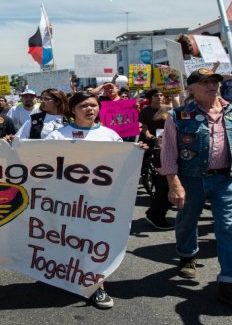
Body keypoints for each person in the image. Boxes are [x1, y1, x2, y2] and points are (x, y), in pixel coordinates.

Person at [159, 68, 232, 310]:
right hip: (191, 179)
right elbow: (169, 152)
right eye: (204, 82)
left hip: (226, 180)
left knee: (230, 228)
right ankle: (187, 255)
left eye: (214, 81)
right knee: (187, 219)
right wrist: (174, 183)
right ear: (191, 89)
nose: (211, 85)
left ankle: (231, 283)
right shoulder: (179, 115)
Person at [45, 91, 124, 309]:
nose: (90, 109)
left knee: (94, 243)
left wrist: (138, 152)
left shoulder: (110, 135)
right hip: (67, 203)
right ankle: (65, 274)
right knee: (69, 240)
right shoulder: (58, 136)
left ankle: (96, 287)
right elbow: (43, 164)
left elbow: (122, 164)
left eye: (93, 105)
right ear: (72, 110)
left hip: (100, 203)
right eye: (83, 106)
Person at [139, 89, 175, 230]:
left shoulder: (168, 108)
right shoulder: (147, 111)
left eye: (161, 95)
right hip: (152, 140)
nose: (159, 97)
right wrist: (148, 134)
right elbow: (145, 126)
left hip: (168, 141)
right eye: (156, 95)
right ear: (150, 98)